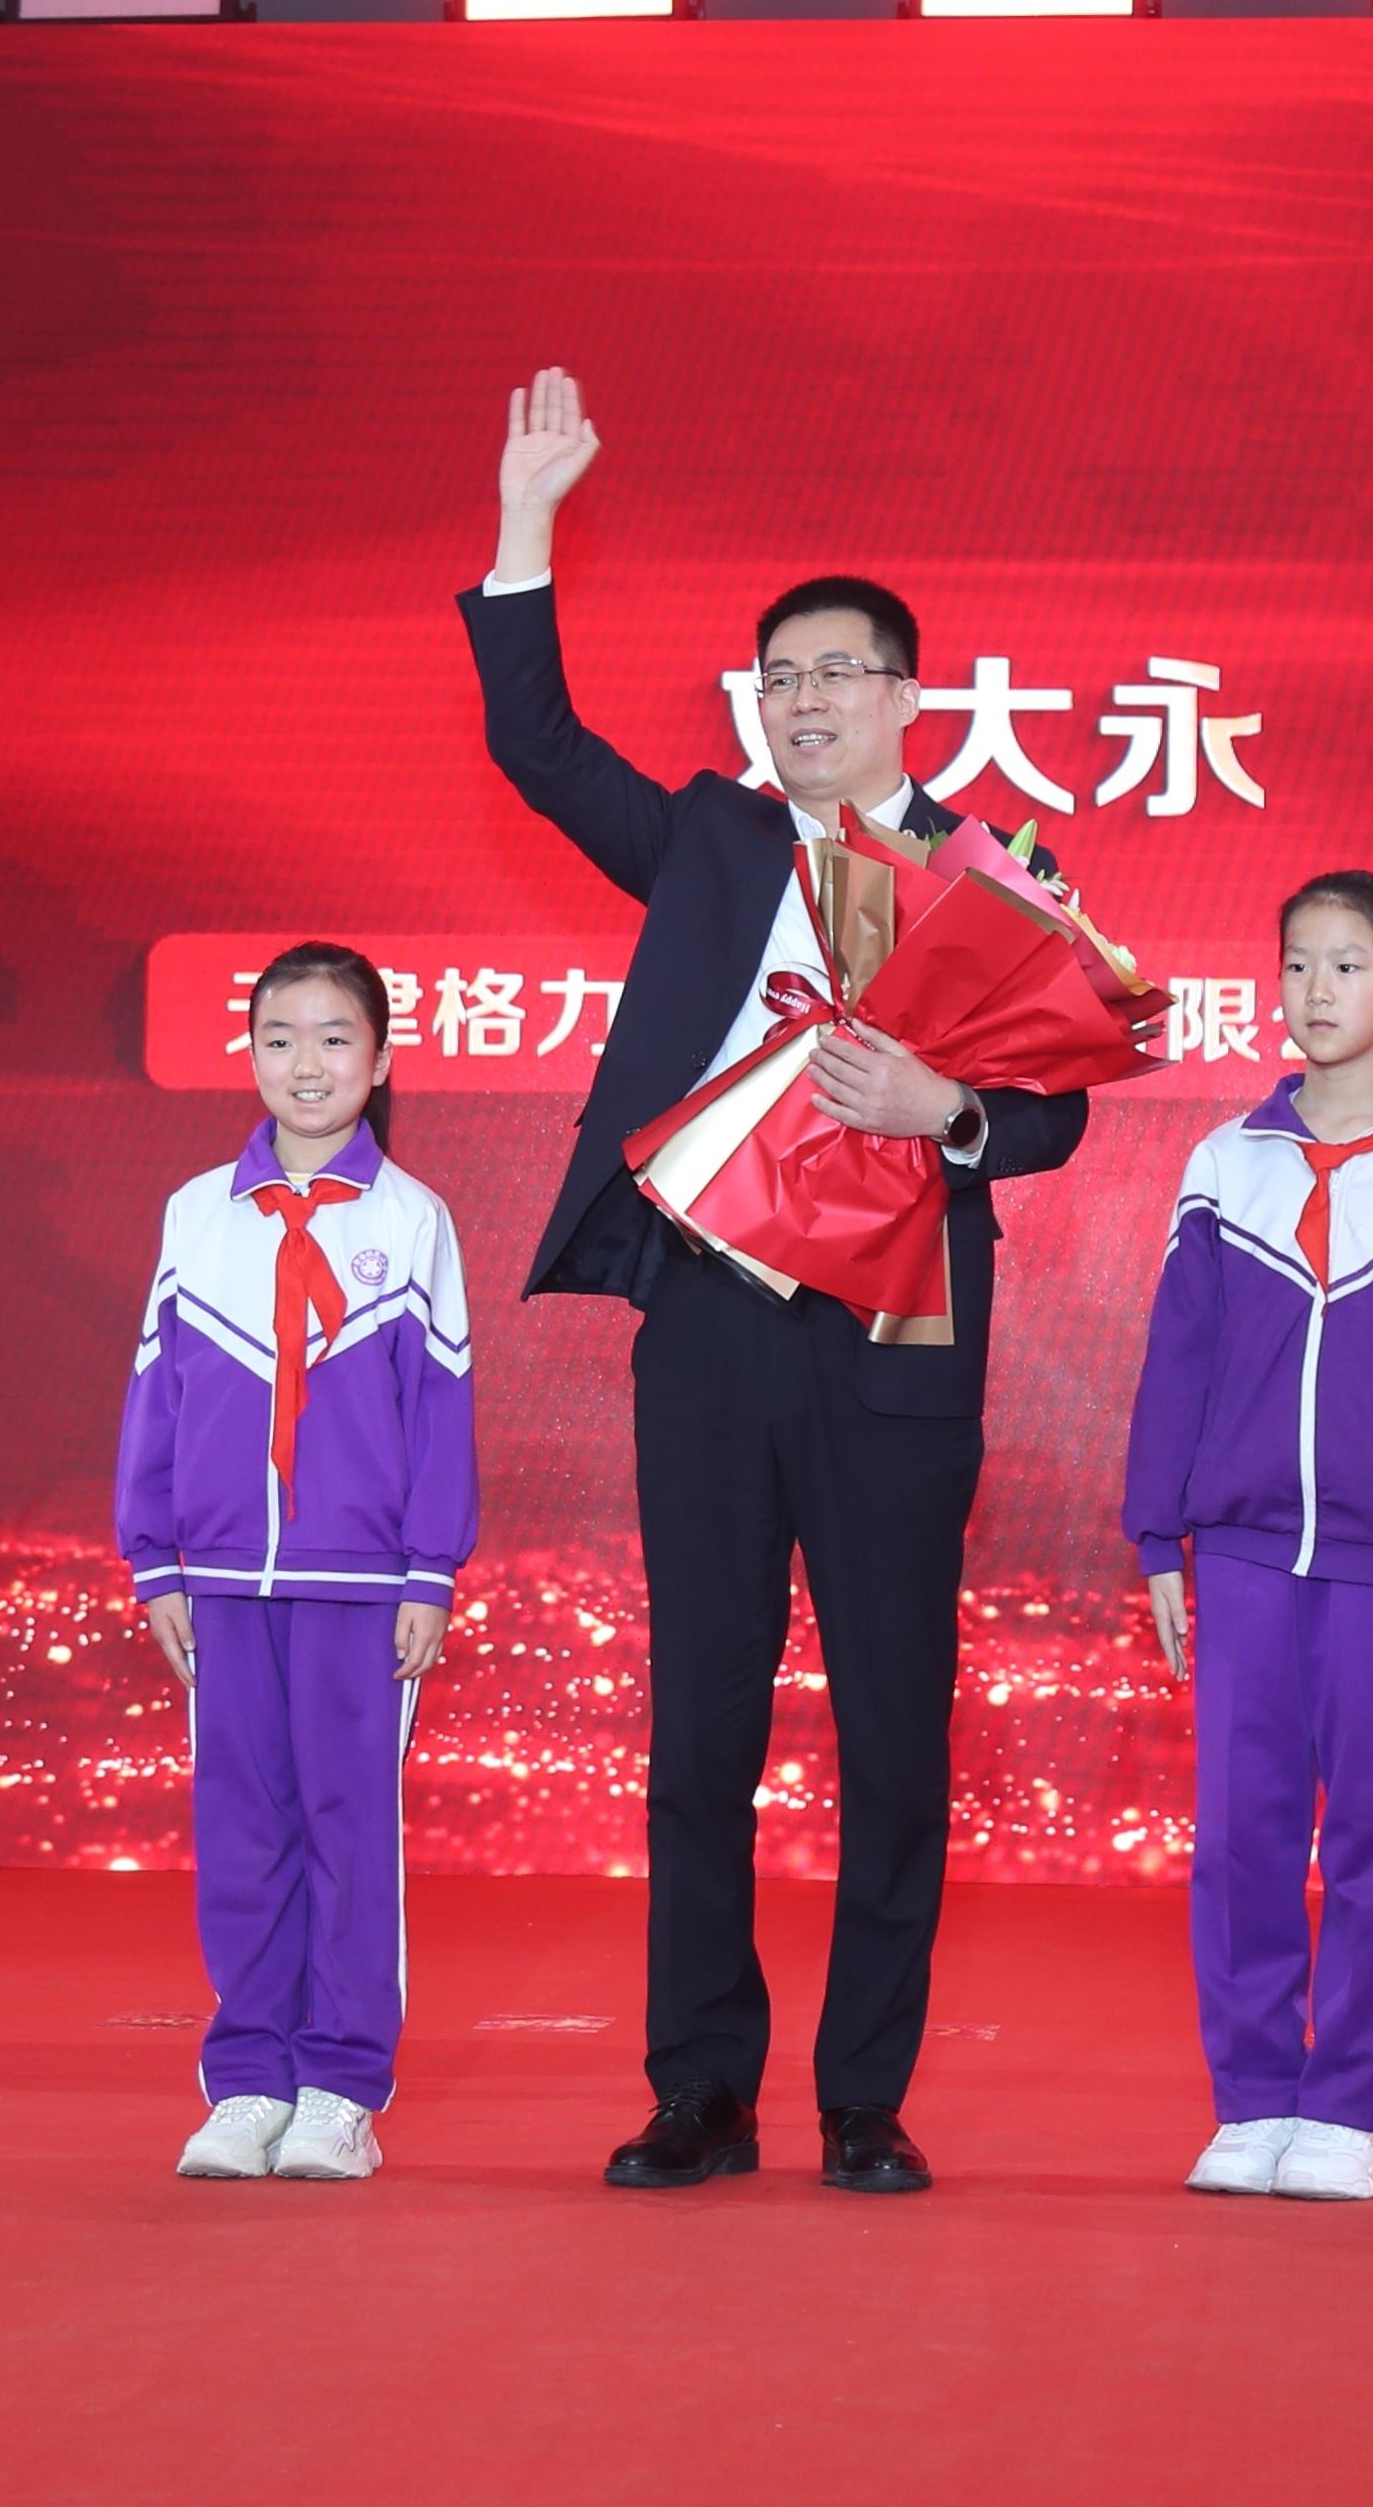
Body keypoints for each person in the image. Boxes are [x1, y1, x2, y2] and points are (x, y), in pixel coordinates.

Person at [458, 367, 1094, 2199]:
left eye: (836, 674)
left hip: (897, 1344)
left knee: (894, 1732)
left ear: (907, 697)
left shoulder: (993, 870)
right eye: (778, 677)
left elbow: (1059, 1105)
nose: (803, 701)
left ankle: (865, 2097)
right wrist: (525, 525)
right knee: (701, 1726)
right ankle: (701, 2090)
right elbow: (537, 747)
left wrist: (946, 1112)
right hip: (713, 1328)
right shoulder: (710, 840)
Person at [1121, 870, 1373, 2201]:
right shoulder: (1223, 1163)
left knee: (1370, 1838)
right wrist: (1157, 1533)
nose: (1315, 989)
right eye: (1296, 963)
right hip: (1241, 1553)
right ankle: (1250, 2101)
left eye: (1348, 965)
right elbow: (1177, 1364)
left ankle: (1349, 2112)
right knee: (1239, 1835)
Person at [117, 944, 478, 2184]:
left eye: (335, 1038)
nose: (306, 1063)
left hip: (359, 1589)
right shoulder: (194, 1213)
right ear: (252, 1054)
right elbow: (155, 1396)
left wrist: (429, 1571)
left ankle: (340, 2085)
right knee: (241, 1831)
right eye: (280, 1037)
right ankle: (248, 2081)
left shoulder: (413, 1218)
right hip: (222, 1583)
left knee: (348, 1831)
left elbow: (440, 1408)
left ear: (380, 1059)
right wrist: (156, 1560)